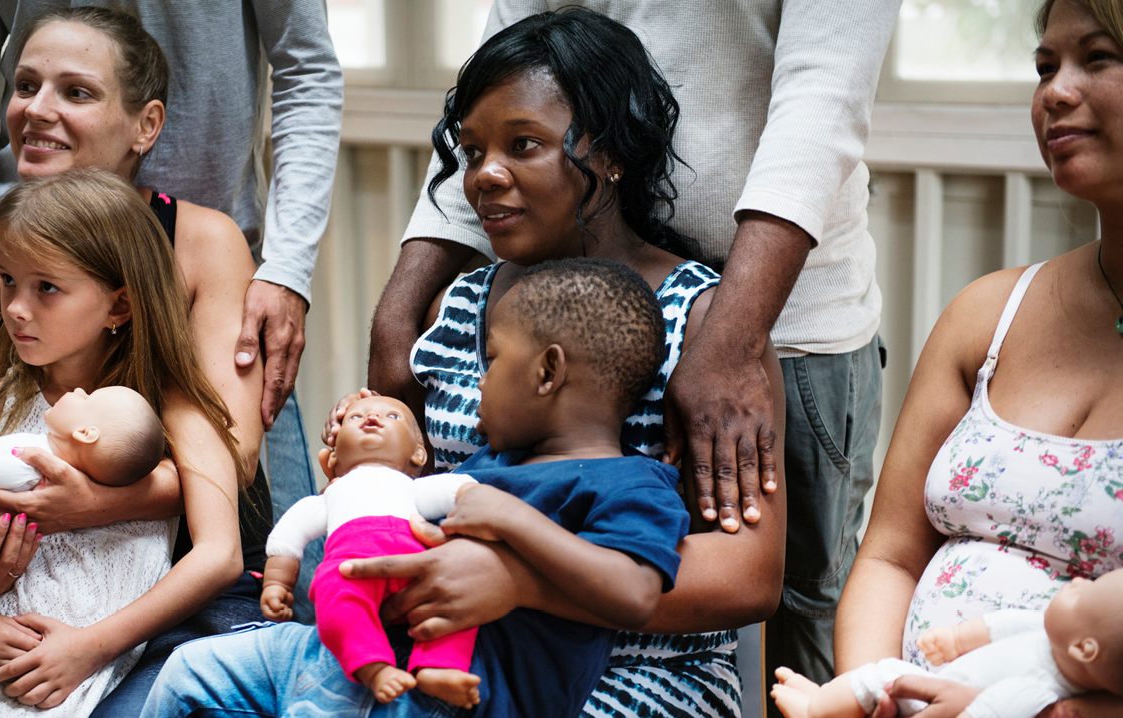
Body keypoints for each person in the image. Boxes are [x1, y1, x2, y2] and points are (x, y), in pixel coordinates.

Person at [368, 0, 896, 695]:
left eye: (522, 145)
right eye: (471, 153)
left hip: (644, 674)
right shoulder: (457, 309)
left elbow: (746, 577)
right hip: (470, 671)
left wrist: (519, 580)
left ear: (612, 154)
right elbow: (410, 503)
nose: (484, 175)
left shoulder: (701, 326)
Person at [0, 0, 340, 623]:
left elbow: (231, 467)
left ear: (146, 126)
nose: (36, 110)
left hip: (181, 567)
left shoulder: (203, 246)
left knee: (299, 601)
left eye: (77, 92)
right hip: (25, 579)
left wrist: (89, 505)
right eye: (25, 86)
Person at [142, 258, 692, 718]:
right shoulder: (490, 463)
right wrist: (364, 457)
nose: (479, 383)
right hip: (343, 651)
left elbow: (635, 594)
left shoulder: (632, 484)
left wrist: (511, 519)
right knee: (190, 670)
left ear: (547, 372)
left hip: (445, 696)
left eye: (492, 361)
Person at [833, 2, 1123, 717]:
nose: (1055, 91)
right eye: (1045, 67)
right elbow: (889, 556)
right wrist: (873, 699)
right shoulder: (989, 313)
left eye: (1098, 57)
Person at [0, 168, 248, 717]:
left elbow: (220, 556)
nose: (15, 308)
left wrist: (89, 649)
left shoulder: (173, 410)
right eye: (8, 280)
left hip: (81, 664)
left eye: (46, 287)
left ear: (119, 306)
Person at [260, 394, 481, 708]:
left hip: (416, 568)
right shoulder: (332, 494)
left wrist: (476, 499)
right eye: (355, 417)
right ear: (333, 458)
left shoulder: (413, 487)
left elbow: (463, 492)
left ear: (418, 454)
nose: (372, 418)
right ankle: (374, 668)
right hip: (350, 569)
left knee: (458, 592)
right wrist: (276, 584)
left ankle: (439, 665)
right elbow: (288, 536)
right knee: (333, 595)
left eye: (392, 416)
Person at [774, 569, 1123, 718]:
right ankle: (828, 700)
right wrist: (956, 640)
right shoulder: (1047, 631)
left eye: (1083, 594)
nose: (1078, 581)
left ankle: (815, 710)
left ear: (1083, 649)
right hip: (938, 681)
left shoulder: (1038, 689)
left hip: (932, 703)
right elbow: (1001, 625)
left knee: (883, 675)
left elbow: (986, 712)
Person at [0, 386, 164, 541]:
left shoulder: (30, 466)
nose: (79, 390)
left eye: (86, 398)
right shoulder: (45, 459)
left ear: (84, 433)